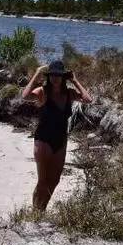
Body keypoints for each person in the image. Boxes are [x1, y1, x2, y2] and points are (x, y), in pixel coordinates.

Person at [21, 60, 93, 211]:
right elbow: (25, 96)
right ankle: (36, 213)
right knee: (43, 181)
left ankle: (42, 209)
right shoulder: (42, 92)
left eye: (58, 75)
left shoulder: (69, 94)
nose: (55, 78)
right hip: (43, 140)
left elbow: (88, 99)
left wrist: (75, 80)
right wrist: (36, 73)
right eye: (52, 75)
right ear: (48, 76)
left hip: (61, 140)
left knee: (54, 181)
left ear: (63, 77)